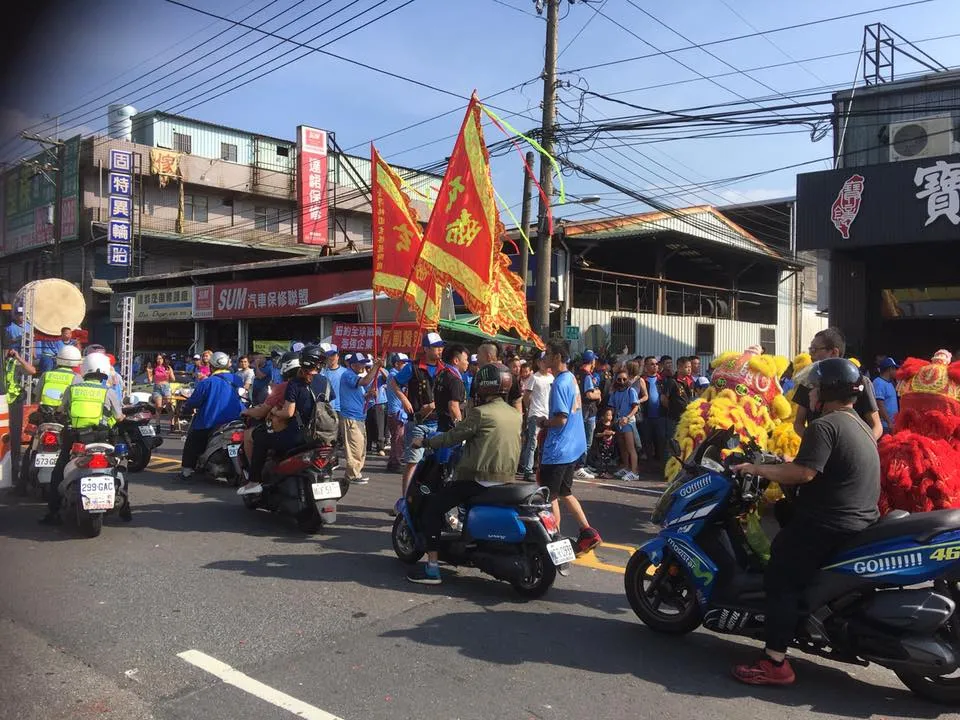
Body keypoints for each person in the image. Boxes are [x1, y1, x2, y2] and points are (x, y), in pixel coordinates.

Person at [730, 358, 880, 686]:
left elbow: (804, 473)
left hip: (831, 523)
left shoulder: (825, 426)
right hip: (858, 519)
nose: (810, 393)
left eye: (814, 387)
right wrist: (783, 463)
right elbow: (816, 467)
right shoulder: (859, 425)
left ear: (828, 391)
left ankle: (774, 662)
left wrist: (759, 470)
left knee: (780, 575)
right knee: (784, 513)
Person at [407, 362, 524, 585]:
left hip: (478, 479)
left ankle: (432, 568)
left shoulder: (480, 414)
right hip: (507, 480)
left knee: (432, 508)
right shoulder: (514, 414)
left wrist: (425, 441)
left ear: (484, 386)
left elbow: (452, 437)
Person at [40, 352, 125, 525]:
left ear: (84, 370)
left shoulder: (72, 389)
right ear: (104, 374)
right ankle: (125, 509)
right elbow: (118, 417)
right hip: (102, 439)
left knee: (59, 470)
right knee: (119, 464)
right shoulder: (108, 392)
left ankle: (53, 512)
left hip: (76, 439)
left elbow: (61, 411)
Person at [538, 340, 602, 555]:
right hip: (573, 446)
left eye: (547, 354)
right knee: (566, 492)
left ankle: (554, 541)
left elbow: (560, 419)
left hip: (559, 449)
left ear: (557, 357)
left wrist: (543, 422)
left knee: (550, 497)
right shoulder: (572, 378)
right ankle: (588, 531)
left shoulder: (559, 383)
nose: (544, 358)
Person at [243, 345, 325, 495]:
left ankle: (254, 481)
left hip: (298, 436)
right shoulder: (325, 382)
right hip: (321, 435)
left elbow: (288, 413)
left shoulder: (294, 384)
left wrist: (275, 411)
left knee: (260, 437)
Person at [793, 328, 883, 441]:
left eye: (815, 349)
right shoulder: (808, 381)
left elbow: (877, 427)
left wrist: (857, 447)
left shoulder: (859, 381)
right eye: (811, 349)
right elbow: (798, 424)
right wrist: (817, 442)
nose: (811, 354)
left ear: (834, 352)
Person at [389, 333, 447, 498]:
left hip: (438, 423)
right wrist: (404, 400)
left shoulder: (444, 368)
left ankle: (429, 499)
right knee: (412, 462)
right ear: (426, 348)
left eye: (441, 346)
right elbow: (394, 382)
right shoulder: (412, 367)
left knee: (437, 464)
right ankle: (405, 500)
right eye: (436, 347)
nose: (440, 350)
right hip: (418, 423)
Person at [178, 351, 244, 482]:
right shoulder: (237, 379)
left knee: (192, 440)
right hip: (238, 419)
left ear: (211, 366)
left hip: (210, 421)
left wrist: (186, 408)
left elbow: (194, 401)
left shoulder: (207, 382)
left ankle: (186, 471)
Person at [239, 351, 301, 481]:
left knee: (251, 435)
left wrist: (246, 412)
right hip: (312, 433)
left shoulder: (286, 386)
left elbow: (264, 411)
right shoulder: (319, 382)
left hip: (289, 432)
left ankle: (255, 476)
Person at [339, 352, 384, 485]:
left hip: (358, 416)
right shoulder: (348, 375)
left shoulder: (354, 376)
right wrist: (376, 367)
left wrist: (369, 395)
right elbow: (365, 381)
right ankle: (352, 474)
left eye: (365, 363)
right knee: (354, 447)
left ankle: (353, 473)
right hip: (350, 417)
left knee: (360, 446)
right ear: (353, 364)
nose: (364, 365)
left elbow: (361, 395)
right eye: (361, 363)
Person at [5, 346, 37, 493]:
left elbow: (32, 371)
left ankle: (14, 474)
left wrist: (17, 357)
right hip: (2, 402)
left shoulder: (14, 363)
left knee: (15, 438)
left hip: (13, 403)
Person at [520, 354, 553, 482]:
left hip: (548, 414)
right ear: (538, 363)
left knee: (545, 443)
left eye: (546, 360)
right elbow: (526, 396)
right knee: (532, 443)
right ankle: (528, 470)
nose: (544, 363)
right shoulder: (534, 378)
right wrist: (530, 409)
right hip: (536, 414)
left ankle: (542, 468)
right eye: (542, 361)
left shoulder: (552, 378)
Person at [608, 368, 641, 481]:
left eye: (624, 379)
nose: (621, 381)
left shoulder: (631, 391)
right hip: (618, 421)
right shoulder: (615, 393)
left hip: (628, 421)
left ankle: (635, 471)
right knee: (622, 447)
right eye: (619, 379)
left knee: (631, 447)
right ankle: (627, 468)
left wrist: (627, 417)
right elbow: (611, 407)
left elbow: (635, 406)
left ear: (628, 379)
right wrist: (610, 416)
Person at [473, 342, 522, 411]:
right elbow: (472, 401)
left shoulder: (508, 376)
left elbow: (517, 401)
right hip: (481, 419)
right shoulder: (478, 376)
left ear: (488, 357)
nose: (476, 357)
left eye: (479, 354)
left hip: (504, 419)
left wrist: (518, 419)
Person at [385, 353, 410, 474]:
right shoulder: (394, 375)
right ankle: (396, 462)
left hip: (396, 411)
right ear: (396, 364)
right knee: (398, 439)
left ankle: (393, 461)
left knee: (397, 438)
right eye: (404, 362)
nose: (406, 365)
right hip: (396, 412)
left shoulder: (395, 374)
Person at [640, 356, 666, 462]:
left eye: (656, 364)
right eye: (652, 364)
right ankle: (648, 465)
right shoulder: (642, 380)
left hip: (660, 417)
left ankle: (660, 464)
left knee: (661, 441)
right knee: (647, 441)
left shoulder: (663, 380)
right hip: (646, 417)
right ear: (646, 366)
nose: (655, 366)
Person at [663, 356, 694, 444]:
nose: (689, 369)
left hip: (687, 418)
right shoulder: (672, 381)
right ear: (679, 367)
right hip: (674, 418)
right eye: (686, 367)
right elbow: (664, 399)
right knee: (672, 442)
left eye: (690, 367)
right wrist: (673, 408)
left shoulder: (690, 382)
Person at [586, 407, 619, 478]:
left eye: (611, 415)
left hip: (609, 445)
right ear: (603, 416)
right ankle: (602, 472)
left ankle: (606, 472)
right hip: (601, 445)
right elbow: (596, 434)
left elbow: (616, 433)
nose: (610, 417)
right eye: (607, 415)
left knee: (607, 459)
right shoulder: (599, 424)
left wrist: (612, 433)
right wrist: (603, 434)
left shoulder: (613, 424)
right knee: (601, 459)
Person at [872, 357, 900, 434]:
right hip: (885, 425)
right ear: (890, 369)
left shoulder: (890, 383)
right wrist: (889, 422)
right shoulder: (878, 382)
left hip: (891, 425)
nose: (896, 371)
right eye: (895, 369)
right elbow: (880, 405)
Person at [321, 345, 348, 414]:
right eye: (329, 355)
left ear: (338, 357)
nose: (331, 358)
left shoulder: (345, 372)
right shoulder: (322, 372)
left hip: (341, 408)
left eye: (333, 355)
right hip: (326, 408)